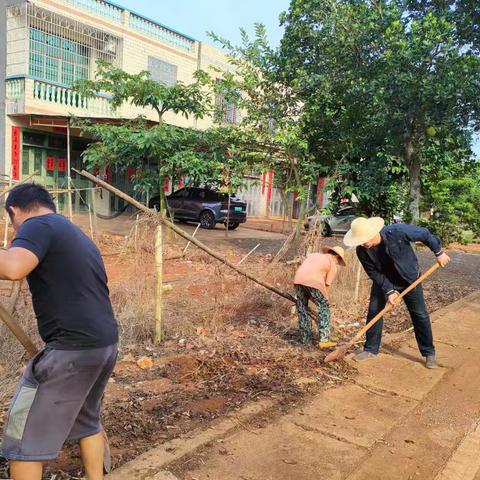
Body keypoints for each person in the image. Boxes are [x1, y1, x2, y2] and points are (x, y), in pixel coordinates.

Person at [0, 184, 118, 480]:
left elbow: (14, 268)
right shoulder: (73, 233)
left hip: (71, 352)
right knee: (87, 420)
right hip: (103, 345)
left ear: (14, 211)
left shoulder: (36, 226)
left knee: (22, 437)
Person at [344, 217, 450, 368]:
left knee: (420, 314)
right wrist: (389, 291)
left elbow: (424, 234)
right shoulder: (362, 251)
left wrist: (438, 252)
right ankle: (370, 349)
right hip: (384, 281)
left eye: (365, 239)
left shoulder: (397, 232)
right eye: (359, 241)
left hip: (409, 279)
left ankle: (428, 353)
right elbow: (373, 273)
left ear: (373, 232)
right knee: (374, 311)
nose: (363, 243)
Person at [293, 246, 346, 347]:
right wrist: (325, 299)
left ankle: (305, 340)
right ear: (337, 257)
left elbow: (306, 270)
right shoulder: (332, 264)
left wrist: (313, 297)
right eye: (339, 261)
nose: (338, 263)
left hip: (298, 280)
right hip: (314, 282)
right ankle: (325, 340)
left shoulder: (314, 255)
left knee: (302, 309)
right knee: (324, 308)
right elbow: (326, 285)